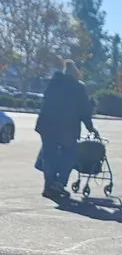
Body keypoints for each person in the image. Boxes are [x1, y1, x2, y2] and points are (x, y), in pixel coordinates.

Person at [35, 59, 94, 199]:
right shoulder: (78, 87)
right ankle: (59, 182)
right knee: (70, 155)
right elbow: (84, 111)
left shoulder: (52, 83)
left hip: (46, 125)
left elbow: (45, 102)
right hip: (67, 127)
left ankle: (49, 186)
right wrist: (90, 127)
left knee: (49, 156)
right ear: (75, 73)